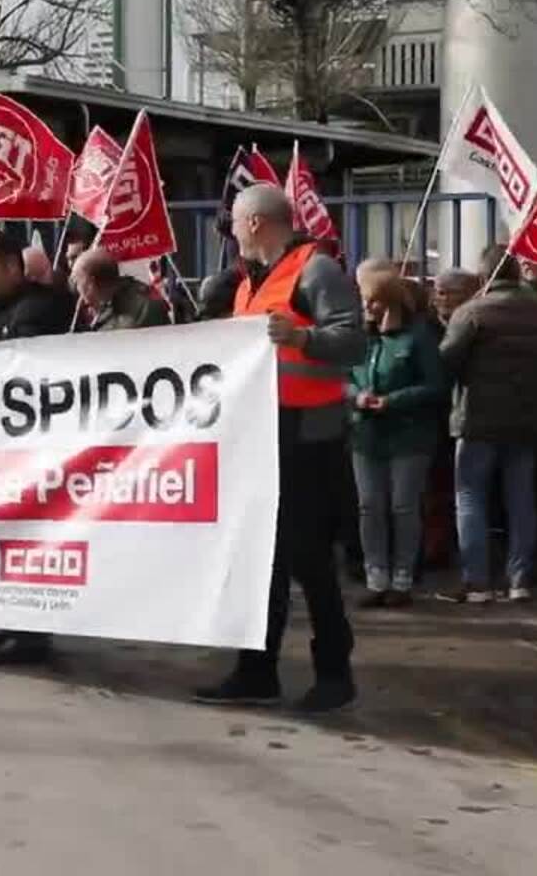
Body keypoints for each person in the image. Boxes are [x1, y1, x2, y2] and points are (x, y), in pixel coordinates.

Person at [193, 184, 363, 712]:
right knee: (261, 558)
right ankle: (256, 671)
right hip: (262, 434)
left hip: (308, 438)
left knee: (311, 560)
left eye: (234, 224)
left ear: (255, 223)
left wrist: (303, 338)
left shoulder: (316, 271)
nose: (230, 234)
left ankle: (334, 674)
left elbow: (354, 342)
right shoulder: (251, 281)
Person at [0, 232, 75, 668]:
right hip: (6, 449)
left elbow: (23, 364)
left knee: (31, 538)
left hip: (38, 448)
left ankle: (31, 634)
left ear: (13, 267)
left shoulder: (40, 308)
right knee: (7, 537)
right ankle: (12, 623)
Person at [440, 243, 537, 604]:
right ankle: (519, 579)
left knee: (470, 497)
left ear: (484, 275)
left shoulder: (471, 312)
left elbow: (446, 361)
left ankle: (477, 581)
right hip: (527, 417)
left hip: (478, 418)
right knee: (521, 499)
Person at [346, 270, 447, 607]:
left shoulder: (418, 338)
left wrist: (394, 401)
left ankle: (402, 578)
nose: (367, 307)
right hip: (366, 435)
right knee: (369, 505)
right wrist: (356, 395)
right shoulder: (361, 338)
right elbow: (344, 377)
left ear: (390, 301)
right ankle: (376, 576)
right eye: (364, 300)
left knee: (403, 506)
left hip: (408, 436)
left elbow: (435, 385)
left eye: (373, 301)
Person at [72, 247, 171, 332]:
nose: (77, 289)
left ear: (91, 282)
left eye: (78, 282)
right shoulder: (105, 305)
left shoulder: (132, 317)